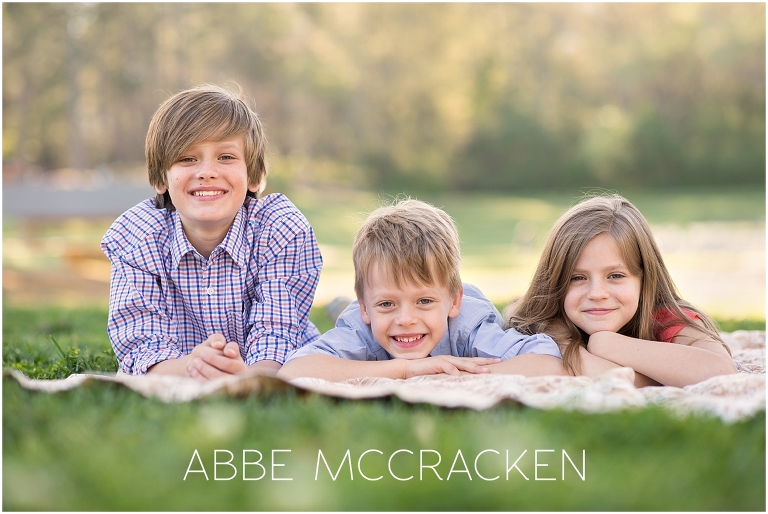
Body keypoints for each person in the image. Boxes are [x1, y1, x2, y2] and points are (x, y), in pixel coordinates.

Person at [101, 83, 322, 380]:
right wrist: (196, 367)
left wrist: (248, 379)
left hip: (269, 368)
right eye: (187, 158)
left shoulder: (280, 230)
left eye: (226, 157)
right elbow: (141, 348)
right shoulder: (137, 237)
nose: (206, 171)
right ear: (161, 178)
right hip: (180, 369)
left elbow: (277, 334)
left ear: (253, 176)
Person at [277, 199, 563, 381]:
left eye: (424, 301)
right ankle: (343, 305)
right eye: (387, 304)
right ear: (364, 307)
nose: (406, 319)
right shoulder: (361, 328)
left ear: (453, 301)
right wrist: (405, 370)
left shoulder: (467, 324)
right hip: (363, 318)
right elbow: (295, 371)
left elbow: (547, 362)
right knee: (352, 317)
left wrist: (452, 376)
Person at [505, 194, 738, 388]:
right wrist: (570, 346)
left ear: (644, 279)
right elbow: (517, 310)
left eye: (615, 276)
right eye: (577, 278)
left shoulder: (664, 318)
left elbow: (723, 371)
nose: (597, 293)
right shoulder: (551, 323)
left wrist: (605, 344)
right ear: (554, 282)